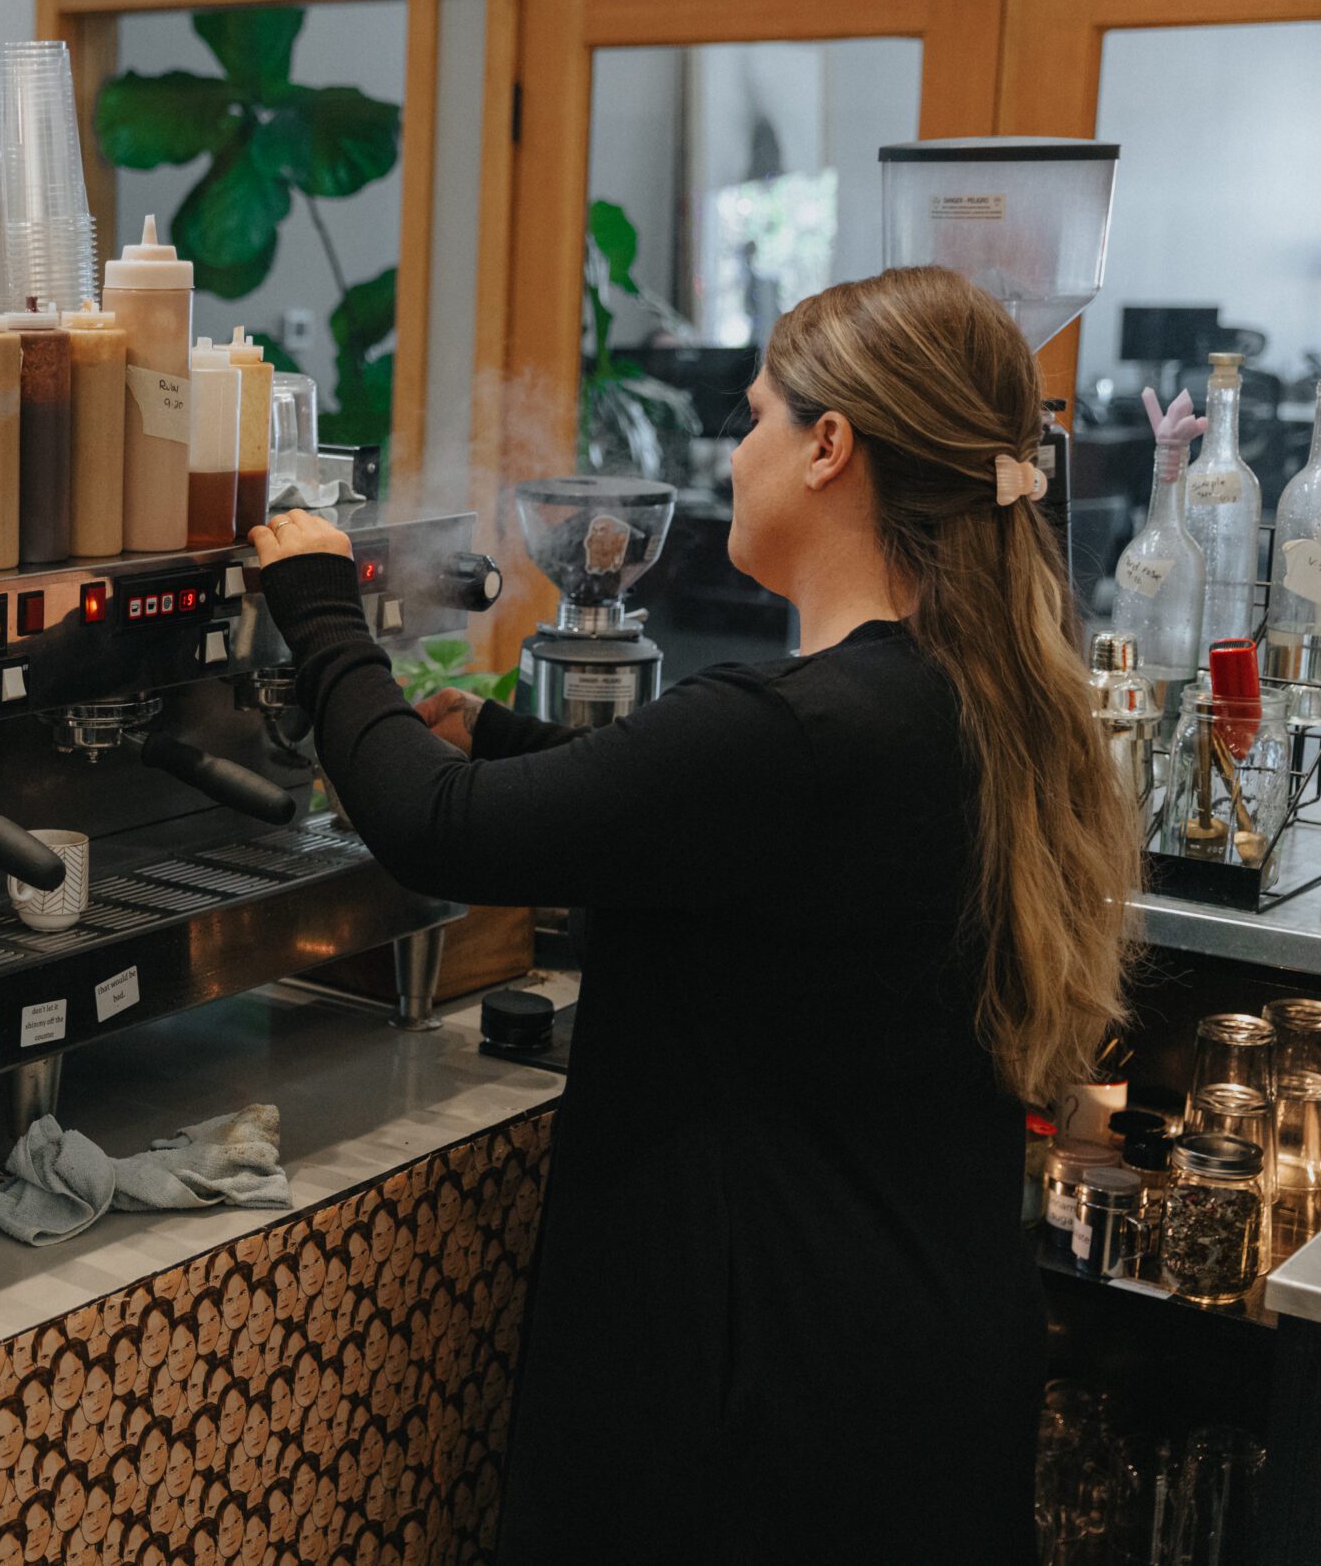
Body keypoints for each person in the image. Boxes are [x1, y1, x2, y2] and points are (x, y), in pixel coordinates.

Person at [251, 265, 1134, 1564]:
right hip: (927, 1350)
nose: (737, 449)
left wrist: (320, 607)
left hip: (768, 1382)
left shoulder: (791, 731)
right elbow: (729, 842)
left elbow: (434, 828)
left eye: (757, 415)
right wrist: (502, 733)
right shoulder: (967, 700)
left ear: (832, 448)